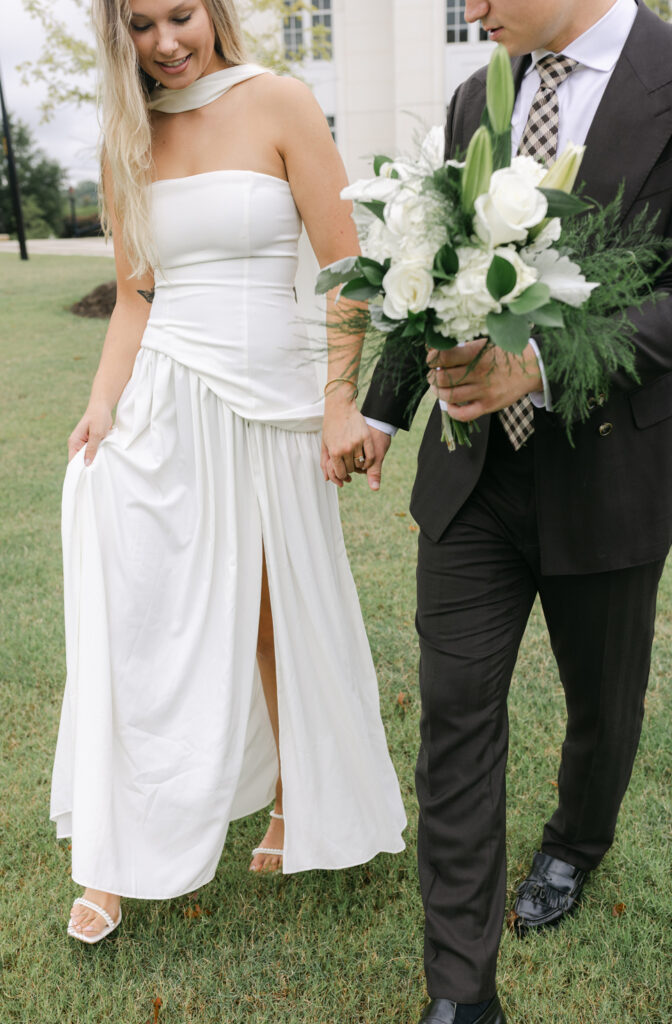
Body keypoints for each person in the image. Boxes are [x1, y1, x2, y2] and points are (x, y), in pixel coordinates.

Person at [357, 1, 672, 1021]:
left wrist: (538, 365)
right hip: (474, 481)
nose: (473, 8)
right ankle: (461, 997)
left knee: (602, 708)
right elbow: (433, 274)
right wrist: (380, 410)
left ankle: (575, 842)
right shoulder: (477, 95)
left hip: (611, 472)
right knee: (456, 717)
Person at [51, 0, 406, 945]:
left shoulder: (282, 101)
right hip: (165, 402)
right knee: (138, 618)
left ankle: (297, 790)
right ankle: (117, 858)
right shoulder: (128, 137)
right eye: (141, 25)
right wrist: (100, 405)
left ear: (214, 12)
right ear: (118, 33)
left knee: (268, 619)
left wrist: (340, 402)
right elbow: (136, 298)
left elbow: (346, 269)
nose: (166, 42)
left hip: (274, 403)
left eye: (181, 15)